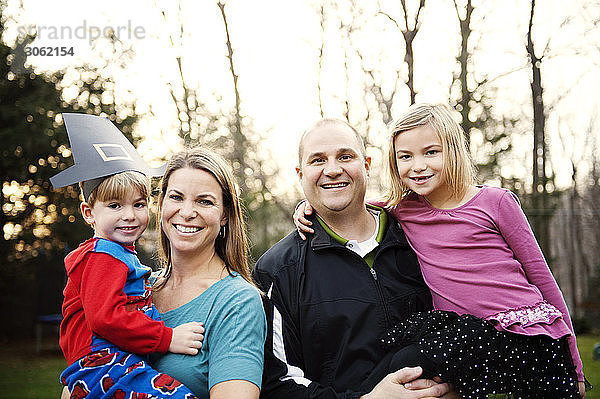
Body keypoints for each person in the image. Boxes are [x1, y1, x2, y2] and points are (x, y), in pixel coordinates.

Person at [295, 104, 588, 398]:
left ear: (453, 151)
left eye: (431, 152)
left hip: (526, 336)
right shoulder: (404, 209)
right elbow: (349, 202)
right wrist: (307, 205)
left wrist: (575, 365)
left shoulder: (496, 203)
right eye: (405, 156)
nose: (418, 165)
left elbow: (543, 280)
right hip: (468, 337)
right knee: (401, 365)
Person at [253, 118, 456, 399]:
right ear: (301, 174)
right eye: (318, 160)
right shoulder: (277, 269)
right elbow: (278, 384)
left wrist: (458, 388)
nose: (333, 170)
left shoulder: (421, 237)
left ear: (367, 165)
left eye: (345, 156)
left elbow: (477, 318)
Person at [52, 114, 203, 398]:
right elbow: (105, 319)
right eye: (114, 205)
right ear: (89, 213)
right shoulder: (103, 256)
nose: (130, 216)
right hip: (102, 365)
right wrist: (167, 338)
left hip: (114, 362)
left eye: (139, 204)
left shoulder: (119, 255)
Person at [149, 147, 267, 398]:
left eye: (204, 201)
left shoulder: (237, 302)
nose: (188, 212)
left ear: (224, 215)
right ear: (161, 205)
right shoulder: (136, 287)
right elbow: (82, 376)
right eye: (176, 197)